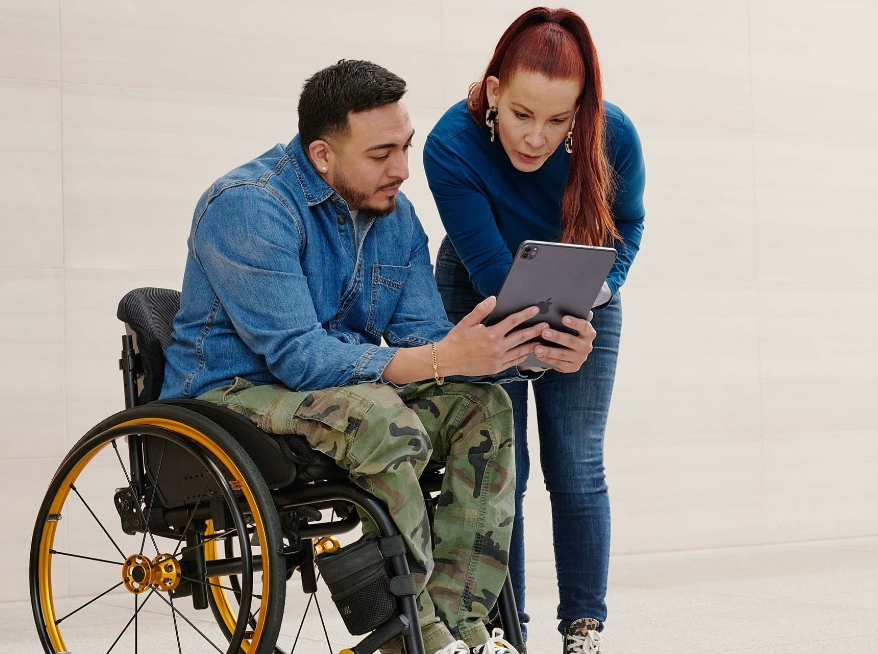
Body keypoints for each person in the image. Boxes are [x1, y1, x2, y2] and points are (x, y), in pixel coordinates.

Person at [161, 59, 597, 654]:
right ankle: (422, 633)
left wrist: (534, 353)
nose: (402, 169)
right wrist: (440, 358)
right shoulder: (247, 207)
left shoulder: (397, 216)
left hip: (335, 398)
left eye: (407, 146)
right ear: (322, 156)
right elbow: (300, 358)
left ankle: (456, 626)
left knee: (484, 405)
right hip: (232, 395)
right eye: (381, 154)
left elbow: (427, 336)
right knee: (378, 417)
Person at [423, 8, 646, 653]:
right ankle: (502, 630)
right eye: (522, 114)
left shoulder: (613, 136)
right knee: (500, 466)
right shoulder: (451, 145)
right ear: (494, 90)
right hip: (479, 286)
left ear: (582, 108)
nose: (536, 138)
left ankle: (584, 628)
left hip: (582, 294)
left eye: (558, 120)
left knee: (577, 466)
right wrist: (537, 349)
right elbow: (495, 272)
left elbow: (627, 227)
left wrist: (601, 295)